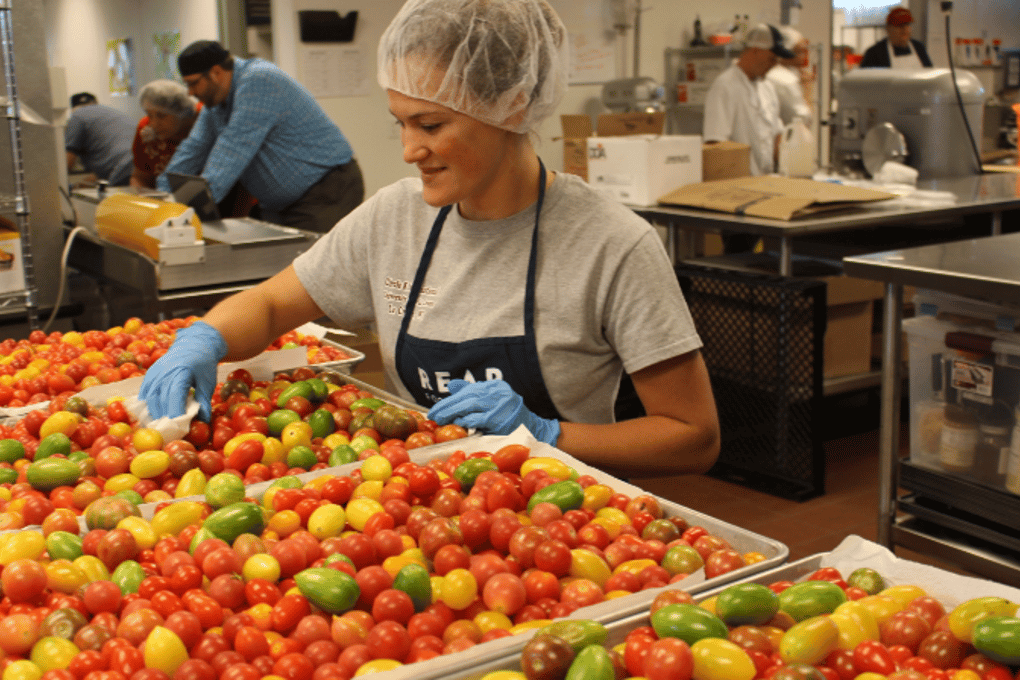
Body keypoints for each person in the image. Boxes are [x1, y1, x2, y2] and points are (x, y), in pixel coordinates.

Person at [139, 0, 720, 478]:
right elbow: (269, 304)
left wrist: (547, 432)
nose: (409, 150)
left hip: (553, 529)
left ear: (512, 106)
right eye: (402, 123)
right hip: (418, 506)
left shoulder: (612, 247)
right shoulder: (394, 217)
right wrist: (205, 339)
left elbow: (693, 437)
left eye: (432, 125)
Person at [155, 40, 364, 233]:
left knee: (314, 268)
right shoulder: (216, 101)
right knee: (278, 266)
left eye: (193, 84)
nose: (190, 93)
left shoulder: (258, 80)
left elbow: (233, 149)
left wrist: (189, 211)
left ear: (216, 72)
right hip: (280, 204)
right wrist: (161, 197)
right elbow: (194, 147)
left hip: (325, 190)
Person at [703, 24, 793, 253]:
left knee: (768, 260)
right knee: (739, 258)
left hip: (767, 191)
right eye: (771, 58)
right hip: (738, 196)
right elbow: (716, 145)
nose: (774, 66)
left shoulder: (767, 88)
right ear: (754, 51)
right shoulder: (725, 86)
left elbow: (776, 135)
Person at [131, 80, 202, 189]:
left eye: (161, 115)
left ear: (181, 113)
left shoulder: (204, 121)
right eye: (149, 115)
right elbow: (140, 177)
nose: (154, 124)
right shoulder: (146, 130)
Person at [64, 92, 135, 187]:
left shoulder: (77, 116)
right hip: (143, 162)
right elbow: (102, 173)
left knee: (113, 200)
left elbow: (67, 164)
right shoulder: (112, 113)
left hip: (123, 165)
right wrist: (78, 186)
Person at [859, 7, 933, 69]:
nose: (904, 29)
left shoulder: (919, 47)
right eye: (899, 25)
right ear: (888, 29)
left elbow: (930, 75)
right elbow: (864, 83)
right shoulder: (875, 53)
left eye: (907, 25)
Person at [767, 27, 813, 127]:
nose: (803, 57)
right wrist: (808, 89)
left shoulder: (774, 73)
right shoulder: (785, 80)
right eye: (800, 51)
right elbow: (803, 121)